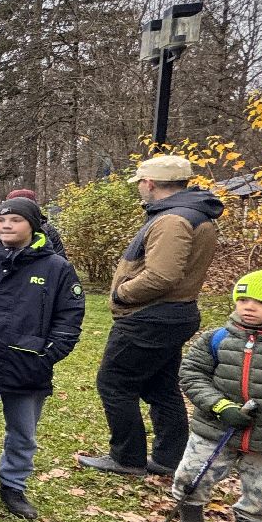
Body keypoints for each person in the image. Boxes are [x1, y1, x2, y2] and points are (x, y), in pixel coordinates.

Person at [80, 155, 224, 477]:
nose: (140, 190)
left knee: (114, 383)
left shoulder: (173, 220)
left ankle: (127, 459)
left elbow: (161, 276)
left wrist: (122, 293)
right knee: (161, 388)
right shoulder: (194, 213)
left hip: (151, 317)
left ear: (149, 183)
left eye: (140, 184)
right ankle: (170, 459)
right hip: (171, 314)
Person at [0, 197, 85, 519]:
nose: (6, 225)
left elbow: (69, 315)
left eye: (15, 220)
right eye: (1, 220)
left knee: (23, 432)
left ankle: (13, 486)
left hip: (28, 367)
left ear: (33, 225)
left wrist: (49, 354)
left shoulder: (57, 268)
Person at [172, 267, 262, 522]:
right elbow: (192, 373)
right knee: (192, 475)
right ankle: (191, 520)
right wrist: (219, 406)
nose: (249, 307)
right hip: (214, 428)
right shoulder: (217, 338)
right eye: (243, 300)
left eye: (260, 301)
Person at [0, 189, 66, 257]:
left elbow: (59, 259)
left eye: (16, 220)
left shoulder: (47, 230)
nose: (7, 226)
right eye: (1, 220)